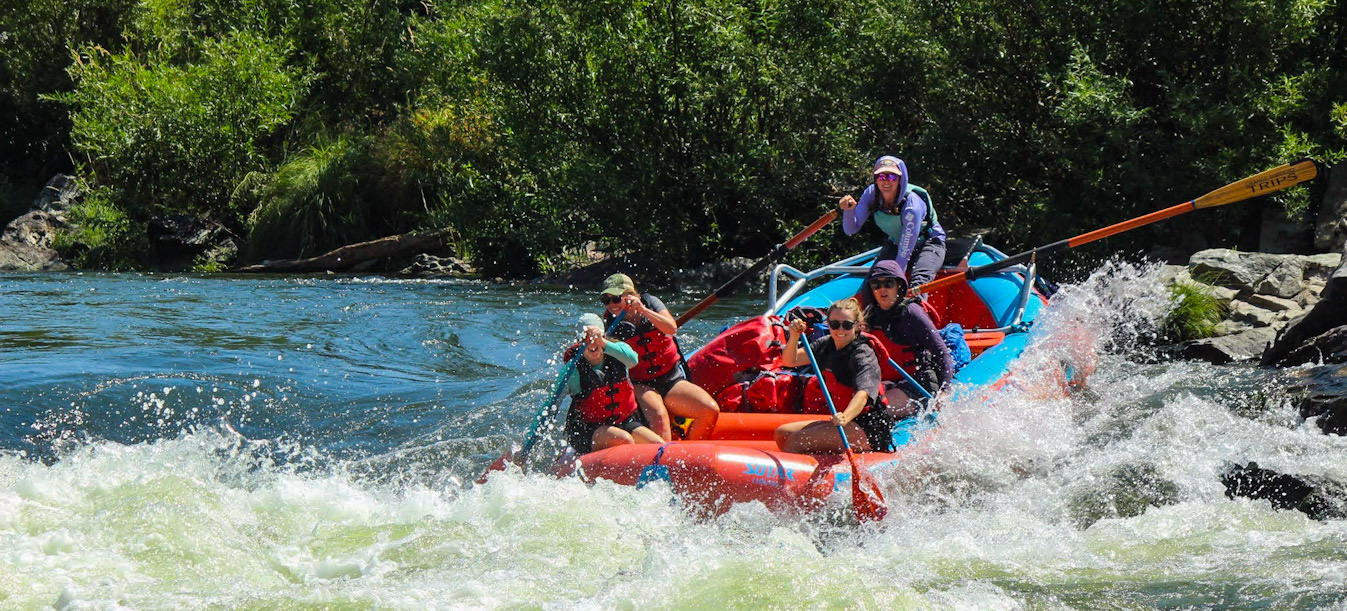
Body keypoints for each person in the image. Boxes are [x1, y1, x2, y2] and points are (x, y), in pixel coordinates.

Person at [600, 273, 720, 440]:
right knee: (658, 416)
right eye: (606, 300)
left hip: (671, 378)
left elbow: (671, 328)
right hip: (642, 384)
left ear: (631, 295)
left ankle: (691, 458)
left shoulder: (650, 302)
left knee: (709, 409)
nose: (611, 305)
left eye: (616, 298)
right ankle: (663, 462)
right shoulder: (610, 324)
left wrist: (642, 310)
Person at [773, 298, 895, 454]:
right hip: (844, 421)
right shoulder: (826, 344)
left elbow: (863, 395)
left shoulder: (863, 354)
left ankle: (797, 477)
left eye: (847, 325)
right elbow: (791, 360)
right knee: (782, 433)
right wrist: (795, 336)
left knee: (797, 441)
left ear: (857, 325)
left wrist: (845, 416)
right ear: (828, 324)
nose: (840, 330)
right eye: (835, 324)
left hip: (869, 427)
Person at [862, 260, 954, 418]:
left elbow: (941, 351)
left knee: (875, 414)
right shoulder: (870, 314)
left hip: (918, 384)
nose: (882, 289)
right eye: (876, 285)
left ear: (898, 286)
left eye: (888, 283)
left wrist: (945, 392)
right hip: (889, 381)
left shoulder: (912, 312)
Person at [839, 156, 947, 290]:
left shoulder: (912, 206)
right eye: (882, 176)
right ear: (876, 179)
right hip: (896, 242)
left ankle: (917, 307)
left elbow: (905, 251)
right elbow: (851, 229)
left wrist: (895, 281)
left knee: (919, 282)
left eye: (892, 177)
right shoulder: (871, 194)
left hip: (928, 243)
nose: (886, 182)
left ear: (901, 180)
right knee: (873, 282)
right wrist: (848, 211)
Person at [563, 313, 663, 454]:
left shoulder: (617, 350)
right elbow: (551, 405)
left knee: (658, 445)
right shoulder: (573, 370)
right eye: (585, 340)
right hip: (588, 429)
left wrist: (603, 342)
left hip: (624, 421)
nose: (592, 343)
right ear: (578, 343)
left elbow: (633, 360)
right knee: (624, 439)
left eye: (596, 338)